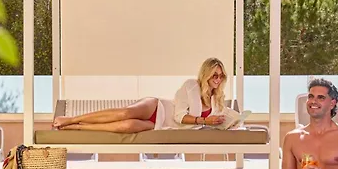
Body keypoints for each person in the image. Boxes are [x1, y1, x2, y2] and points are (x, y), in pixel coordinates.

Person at [52, 57, 229, 133]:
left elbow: (215, 121)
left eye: (221, 76)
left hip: (159, 125)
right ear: (206, 74)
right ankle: (72, 119)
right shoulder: (192, 86)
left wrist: (230, 123)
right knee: (125, 113)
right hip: (158, 108)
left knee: (126, 126)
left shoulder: (217, 99)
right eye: (214, 75)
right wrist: (205, 121)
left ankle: (78, 127)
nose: (218, 79)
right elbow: (179, 116)